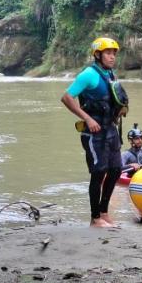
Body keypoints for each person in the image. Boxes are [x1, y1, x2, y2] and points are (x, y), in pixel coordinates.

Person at [59, 36, 128, 228]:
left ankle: (104, 213)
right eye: (108, 53)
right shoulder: (88, 75)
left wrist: (120, 111)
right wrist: (87, 119)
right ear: (97, 54)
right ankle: (95, 218)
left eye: (114, 53)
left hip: (111, 129)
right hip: (94, 132)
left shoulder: (110, 74)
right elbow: (66, 97)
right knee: (99, 172)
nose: (112, 56)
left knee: (115, 170)